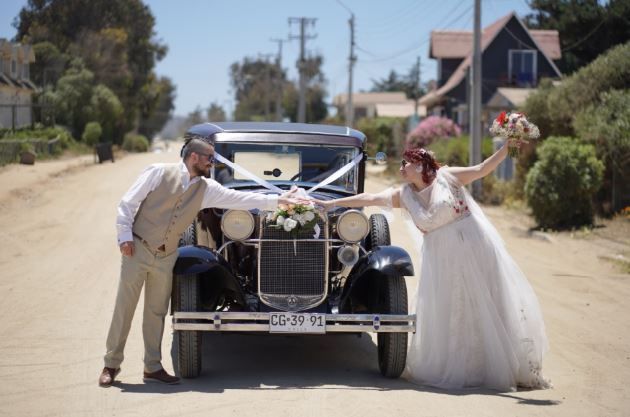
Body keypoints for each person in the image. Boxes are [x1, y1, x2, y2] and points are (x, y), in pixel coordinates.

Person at [314, 142, 550, 391]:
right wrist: (331, 205)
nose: (401, 167)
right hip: (440, 257)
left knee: (481, 302)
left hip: (472, 247)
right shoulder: (404, 195)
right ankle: (463, 366)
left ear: (419, 164)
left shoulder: (447, 177)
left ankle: (493, 364)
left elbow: (482, 168)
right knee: (452, 307)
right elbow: (370, 198)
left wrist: (508, 146)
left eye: (406, 163)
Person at [99, 136, 302, 387]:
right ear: (194, 157)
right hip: (138, 249)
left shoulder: (206, 188)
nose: (212, 162)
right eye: (209, 157)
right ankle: (111, 364)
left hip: (166, 255)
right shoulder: (158, 172)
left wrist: (278, 200)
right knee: (124, 308)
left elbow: (238, 199)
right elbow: (127, 203)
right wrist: (124, 237)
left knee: (156, 312)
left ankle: (152, 367)